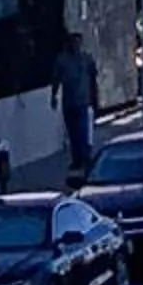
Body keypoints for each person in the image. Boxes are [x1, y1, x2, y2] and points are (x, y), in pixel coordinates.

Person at [50, 32, 98, 178]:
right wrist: (53, 96)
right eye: (73, 43)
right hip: (69, 102)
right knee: (73, 132)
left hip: (83, 102)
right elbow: (56, 79)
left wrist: (95, 98)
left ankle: (85, 157)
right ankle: (77, 158)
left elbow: (93, 79)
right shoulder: (62, 60)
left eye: (78, 43)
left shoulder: (87, 59)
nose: (76, 46)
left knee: (83, 131)